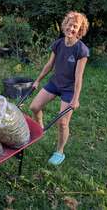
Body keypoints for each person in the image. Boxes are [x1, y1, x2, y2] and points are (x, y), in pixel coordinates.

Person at [29, 11, 89, 166]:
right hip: (55, 83)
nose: (72, 29)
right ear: (65, 26)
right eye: (70, 25)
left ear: (80, 30)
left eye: (75, 27)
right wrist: (37, 80)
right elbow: (49, 65)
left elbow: (78, 77)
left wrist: (75, 99)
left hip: (69, 89)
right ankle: (40, 127)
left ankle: (60, 151)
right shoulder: (58, 44)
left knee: (62, 123)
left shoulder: (81, 50)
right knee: (34, 106)